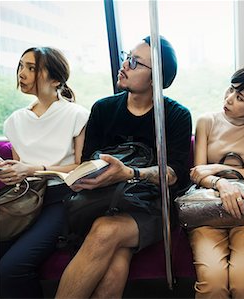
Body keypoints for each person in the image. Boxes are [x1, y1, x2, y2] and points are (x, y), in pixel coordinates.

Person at [55, 35, 192, 298]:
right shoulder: (104, 108)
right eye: (126, 57)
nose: (124, 65)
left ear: (156, 79)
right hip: (102, 200)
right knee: (116, 265)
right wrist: (89, 176)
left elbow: (174, 174)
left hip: (151, 206)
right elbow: (86, 162)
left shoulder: (175, 115)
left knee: (106, 231)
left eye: (134, 62)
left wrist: (130, 173)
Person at [0, 47, 89, 298]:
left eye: (31, 68)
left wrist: (33, 168)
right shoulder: (15, 120)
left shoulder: (76, 115)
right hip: (24, 199)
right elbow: (20, 171)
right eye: (21, 66)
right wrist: (9, 171)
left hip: (62, 201)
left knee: (10, 270)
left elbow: (81, 167)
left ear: (56, 79)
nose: (21, 73)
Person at [188, 65, 244, 298]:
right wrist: (222, 184)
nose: (228, 99)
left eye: (239, 98)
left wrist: (218, 167)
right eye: (230, 89)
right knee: (213, 283)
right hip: (208, 211)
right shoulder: (206, 121)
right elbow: (198, 173)